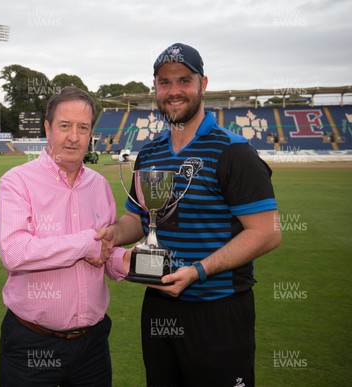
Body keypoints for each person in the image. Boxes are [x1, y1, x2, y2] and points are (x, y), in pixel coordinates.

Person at [96, 43, 281, 386]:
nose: (174, 91)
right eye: (164, 83)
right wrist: (114, 234)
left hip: (218, 308)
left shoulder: (233, 151)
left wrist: (198, 271)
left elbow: (268, 231)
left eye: (184, 80)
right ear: (155, 88)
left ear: (203, 84)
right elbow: (139, 219)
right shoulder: (149, 153)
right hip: (159, 304)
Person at [0, 86, 129, 386]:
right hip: (33, 345)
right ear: (47, 128)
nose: (74, 137)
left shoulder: (99, 185)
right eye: (65, 126)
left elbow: (102, 252)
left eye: (83, 128)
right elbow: (15, 252)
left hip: (92, 346)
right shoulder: (17, 182)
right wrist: (86, 242)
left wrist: (129, 261)